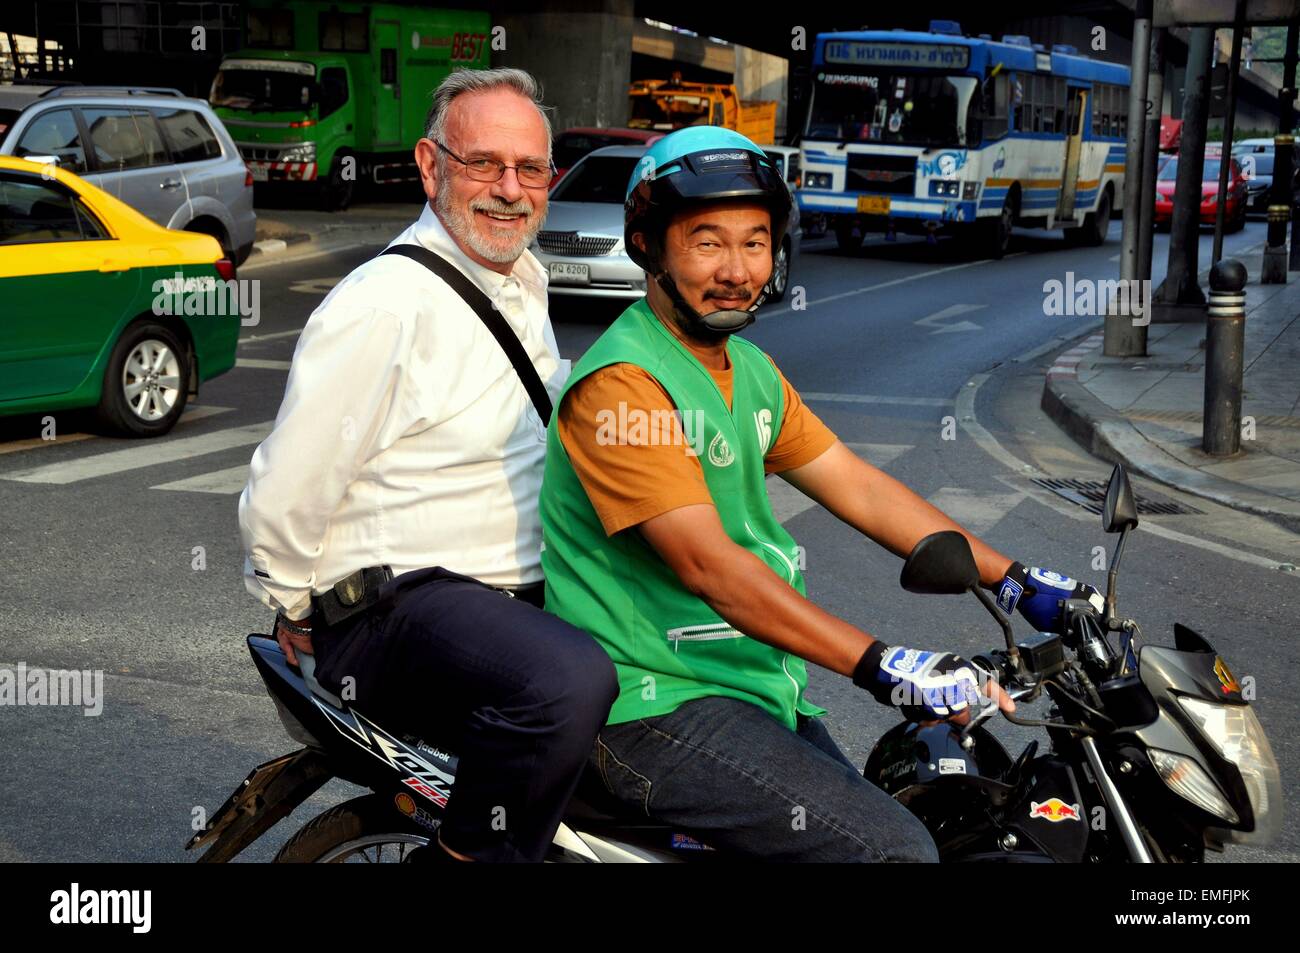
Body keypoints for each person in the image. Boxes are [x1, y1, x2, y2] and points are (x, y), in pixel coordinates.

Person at [538, 126, 1102, 861]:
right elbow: (711, 567)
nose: (737, 269)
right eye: (708, 242)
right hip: (654, 704)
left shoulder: (748, 367)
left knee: (935, 806)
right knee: (896, 850)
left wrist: (1017, 578)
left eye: (755, 242)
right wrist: (883, 663)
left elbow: (858, 485)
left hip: (746, 684)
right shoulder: (624, 386)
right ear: (648, 246)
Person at [238, 68, 617, 863]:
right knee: (567, 682)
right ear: (430, 164)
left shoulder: (521, 280)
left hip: (505, 603)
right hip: (397, 605)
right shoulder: (383, 302)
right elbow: (289, 483)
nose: (510, 189)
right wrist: (294, 603)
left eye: (530, 169)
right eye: (483, 163)